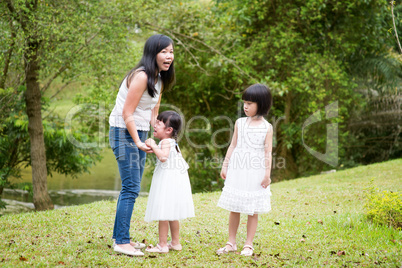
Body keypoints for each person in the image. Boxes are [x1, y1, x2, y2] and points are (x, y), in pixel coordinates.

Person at [108, 34, 175, 257]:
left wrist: (152, 135)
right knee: (131, 187)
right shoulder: (141, 77)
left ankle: (120, 237)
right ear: (152, 53)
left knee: (131, 187)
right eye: (164, 51)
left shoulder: (160, 79)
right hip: (122, 132)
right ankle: (121, 242)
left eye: (171, 52)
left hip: (140, 133)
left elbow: (153, 110)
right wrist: (136, 140)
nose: (169, 56)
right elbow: (127, 112)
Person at [216, 84, 273, 257]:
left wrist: (267, 175)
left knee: (252, 209)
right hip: (238, 169)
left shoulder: (267, 127)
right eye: (244, 103)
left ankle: (248, 244)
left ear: (261, 104)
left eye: (249, 103)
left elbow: (267, 151)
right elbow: (233, 145)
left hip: (255, 171)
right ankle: (231, 242)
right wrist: (225, 165)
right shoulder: (240, 123)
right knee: (235, 206)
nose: (245, 106)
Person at [143, 111, 195, 254]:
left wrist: (153, 145)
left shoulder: (165, 142)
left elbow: (164, 157)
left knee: (163, 213)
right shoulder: (173, 143)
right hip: (174, 181)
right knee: (172, 213)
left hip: (167, 181)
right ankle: (175, 243)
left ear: (168, 130)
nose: (155, 125)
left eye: (159, 123)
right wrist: (155, 148)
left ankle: (162, 245)